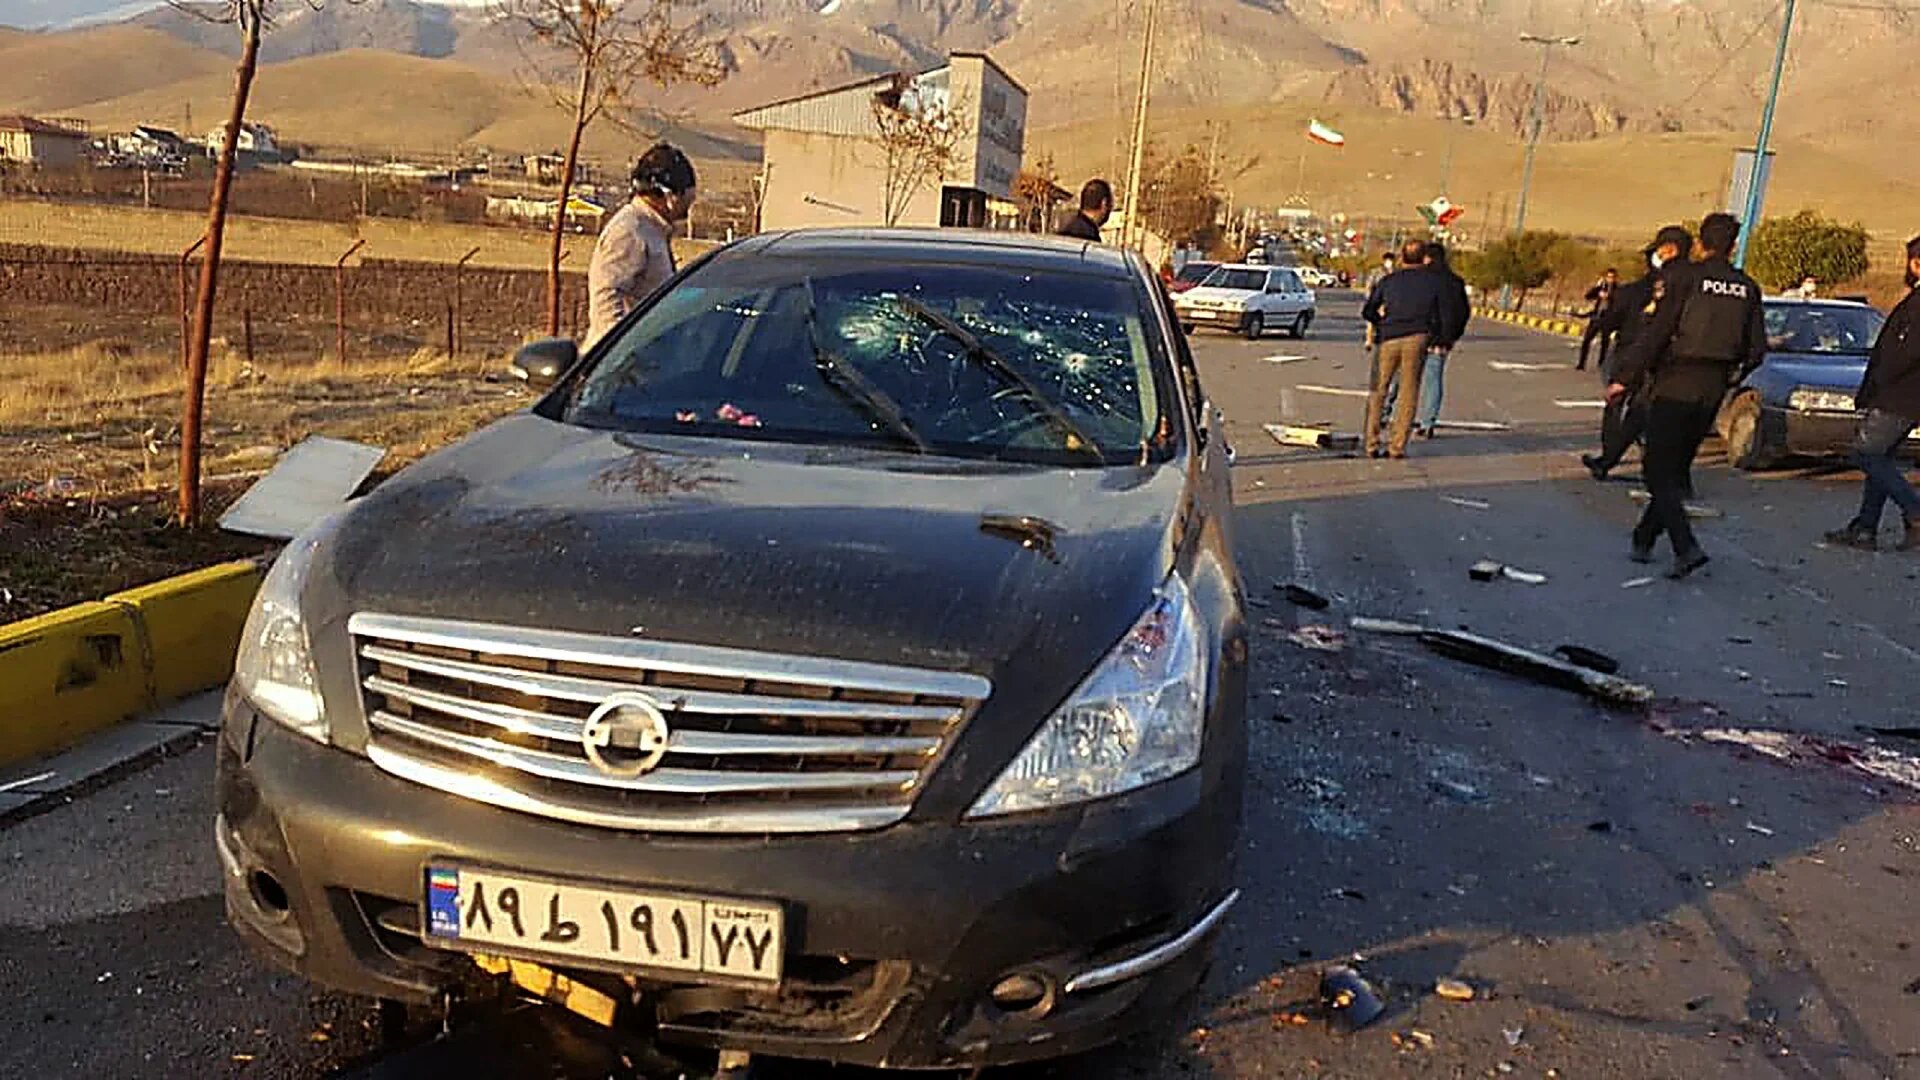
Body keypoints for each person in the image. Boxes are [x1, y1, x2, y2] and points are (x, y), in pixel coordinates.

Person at [1609, 213, 1765, 579]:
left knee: (1656, 469)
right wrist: (1731, 377)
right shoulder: (1748, 288)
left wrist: (1624, 378)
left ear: (1700, 243)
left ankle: (1685, 547)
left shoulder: (1685, 278)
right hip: (1714, 386)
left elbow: (1658, 333)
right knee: (1675, 468)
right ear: (1733, 245)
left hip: (1676, 380)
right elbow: (1756, 349)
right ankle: (1645, 537)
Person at [1822, 235, 1920, 552]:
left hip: (1899, 396)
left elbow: (1905, 352)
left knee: (1866, 454)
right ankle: (1865, 528)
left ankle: (1914, 510)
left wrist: (1880, 380)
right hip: (1903, 395)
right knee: (1881, 456)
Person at [1584, 227, 1693, 481]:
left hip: (1633, 354)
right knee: (1644, 411)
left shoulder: (1638, 290)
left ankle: (1609, 456)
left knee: (1618, 405)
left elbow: (1612, 322)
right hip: (1669, 359)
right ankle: (1643, 463)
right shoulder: (1692, 282)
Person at [587, 143, 696, 348]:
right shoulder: (630, 231)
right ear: (670, 196)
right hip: (624, 360)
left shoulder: (653, 230)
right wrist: (621, 350)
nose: (686, 211)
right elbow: (606, 297)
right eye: (686, 200)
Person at [1362, 239, 1446, 458]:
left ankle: (1371, 443)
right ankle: (1397, 446)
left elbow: (1368, 310)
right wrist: (1435, 336)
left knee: (1378, 390)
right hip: (1417, 338)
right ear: (1423, 258)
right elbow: (1441, 314)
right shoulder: (1433, 283)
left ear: (1402, 257)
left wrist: (1381, 323)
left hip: (1388, 337)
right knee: (1409, 393)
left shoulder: (1389, 281)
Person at [1414, 240, 1472, 437]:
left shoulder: (1421, 279)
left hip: (1417, 334)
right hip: (1442, 340)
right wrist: (1453, 335)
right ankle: (1428, 422)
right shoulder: (1455, 282)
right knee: (1433, 380)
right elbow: (1464, 312)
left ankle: (1388, 414)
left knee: (1403, 379)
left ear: (1427, 258)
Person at [1578, 268, 1621, 372]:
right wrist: (1597, 291)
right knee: (1587, 340)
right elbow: (1588, 296)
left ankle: (1601, 363)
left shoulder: (1618, 289)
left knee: (1605, 343)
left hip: (1608, 318)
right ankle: (1581, 363)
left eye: (1612, 277)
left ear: (1615, 278)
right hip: (1596, 317)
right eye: (1608, 277)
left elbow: (1620, 301)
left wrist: (1609, 296)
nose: (1610, 279)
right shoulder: (1601, 287)